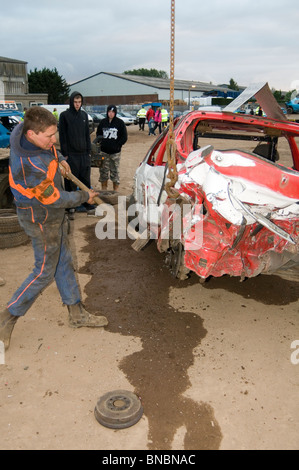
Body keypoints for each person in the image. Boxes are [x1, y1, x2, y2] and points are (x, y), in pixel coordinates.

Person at [0, 107, 108, 351]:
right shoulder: (31, 167)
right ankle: (7, 317)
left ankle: (76, 312)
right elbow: (56, 199)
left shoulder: (24, 130)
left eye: (54, 134)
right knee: (44, 271)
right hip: (40, 217)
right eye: (49, 137)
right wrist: (84, 196)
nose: (54, 140)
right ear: (31, 134)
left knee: (63, 260)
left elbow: (49, 148)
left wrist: (58, 158)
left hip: (50, 213)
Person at [59, 92, 93, 217]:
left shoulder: (84, 115)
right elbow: (62, 136)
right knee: (71, 182)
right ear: (71, 102)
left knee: (85, 180)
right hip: (71, 155)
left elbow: (87, 135)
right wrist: (65, 155)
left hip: (84, 155)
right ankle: (71, 207)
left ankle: (87, 204)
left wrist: (89, 152)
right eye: (75, 102)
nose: (77, 105)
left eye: (79, 102)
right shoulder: (64, 116)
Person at [96, 105, 127, 191]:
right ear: (107, 112)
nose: (111, 114)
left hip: (115, 153)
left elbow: (124, 137)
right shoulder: (103, 122)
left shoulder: (120, 123)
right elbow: (98, 134)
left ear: (115, 113)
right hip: (104, 152)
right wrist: (100, 143)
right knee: (103, 171)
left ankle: (115, 191)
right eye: (109, 112)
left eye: (113, 112)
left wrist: (118, 145)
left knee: (115, 172)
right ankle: (104, 190)